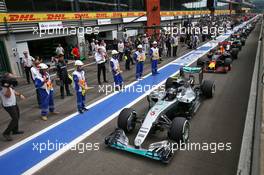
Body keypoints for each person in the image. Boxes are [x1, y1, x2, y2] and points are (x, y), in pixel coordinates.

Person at [1, 74, 26, 141]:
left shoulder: (8, 84)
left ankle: (15, 130)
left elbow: (13, 91)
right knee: (15, 119)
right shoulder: (3, 87)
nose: (13, 78)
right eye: (11, 77)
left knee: (17, 116)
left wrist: (20, 95)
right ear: (7, 78)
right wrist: (8, 87)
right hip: (8, 105)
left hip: (13, 103)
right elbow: (8, 95)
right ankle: (6, 133)